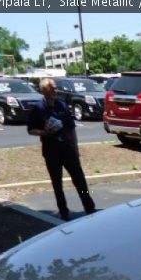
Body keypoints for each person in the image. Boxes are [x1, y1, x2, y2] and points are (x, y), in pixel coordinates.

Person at [27, 78, 96, 220]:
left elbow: (71, 128)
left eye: (55, 87)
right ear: (44, 91)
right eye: (52, 88)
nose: (55, 90)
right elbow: (30, 130)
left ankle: (89, 207)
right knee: (57, 182)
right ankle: (63, 210)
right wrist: (44, 132)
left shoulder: (62, 105)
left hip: (67, 148)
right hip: (51, 150)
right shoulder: (38, 108)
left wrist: (75, 148)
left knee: (79, 180)